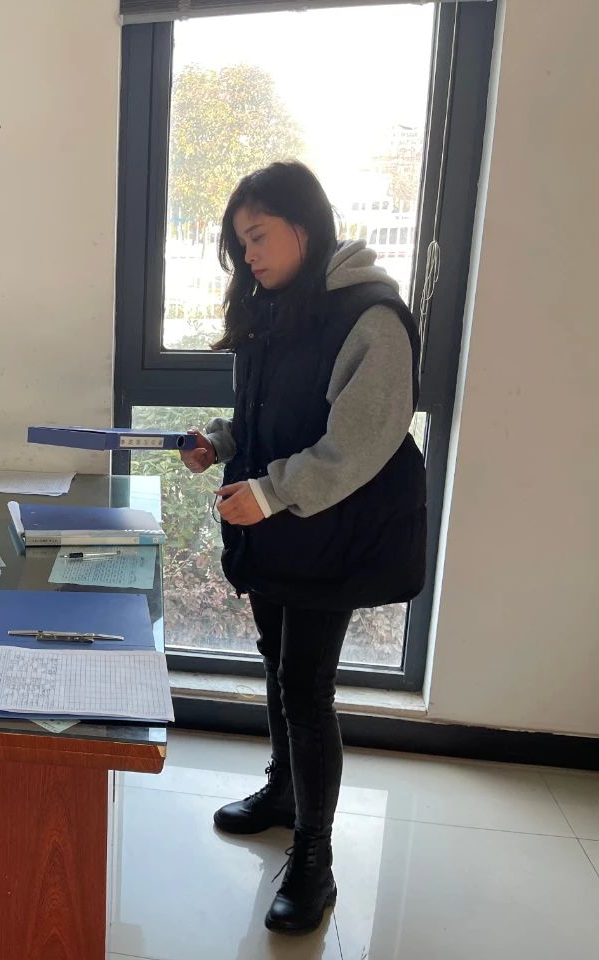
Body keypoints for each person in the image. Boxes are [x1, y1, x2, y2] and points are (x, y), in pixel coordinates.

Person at [180, 162, 426, 935]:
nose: (248, 255)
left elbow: (359, 442)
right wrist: (219, 442)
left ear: (304, 225)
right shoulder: (276, 307)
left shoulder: (369, 315)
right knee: (276, 664)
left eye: (258, 237)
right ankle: (284, 791)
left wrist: (272, 492)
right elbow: (269, 416)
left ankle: (314, 859)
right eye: (240, 244)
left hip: (334, 529)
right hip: (279, 526)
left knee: (306, 685)